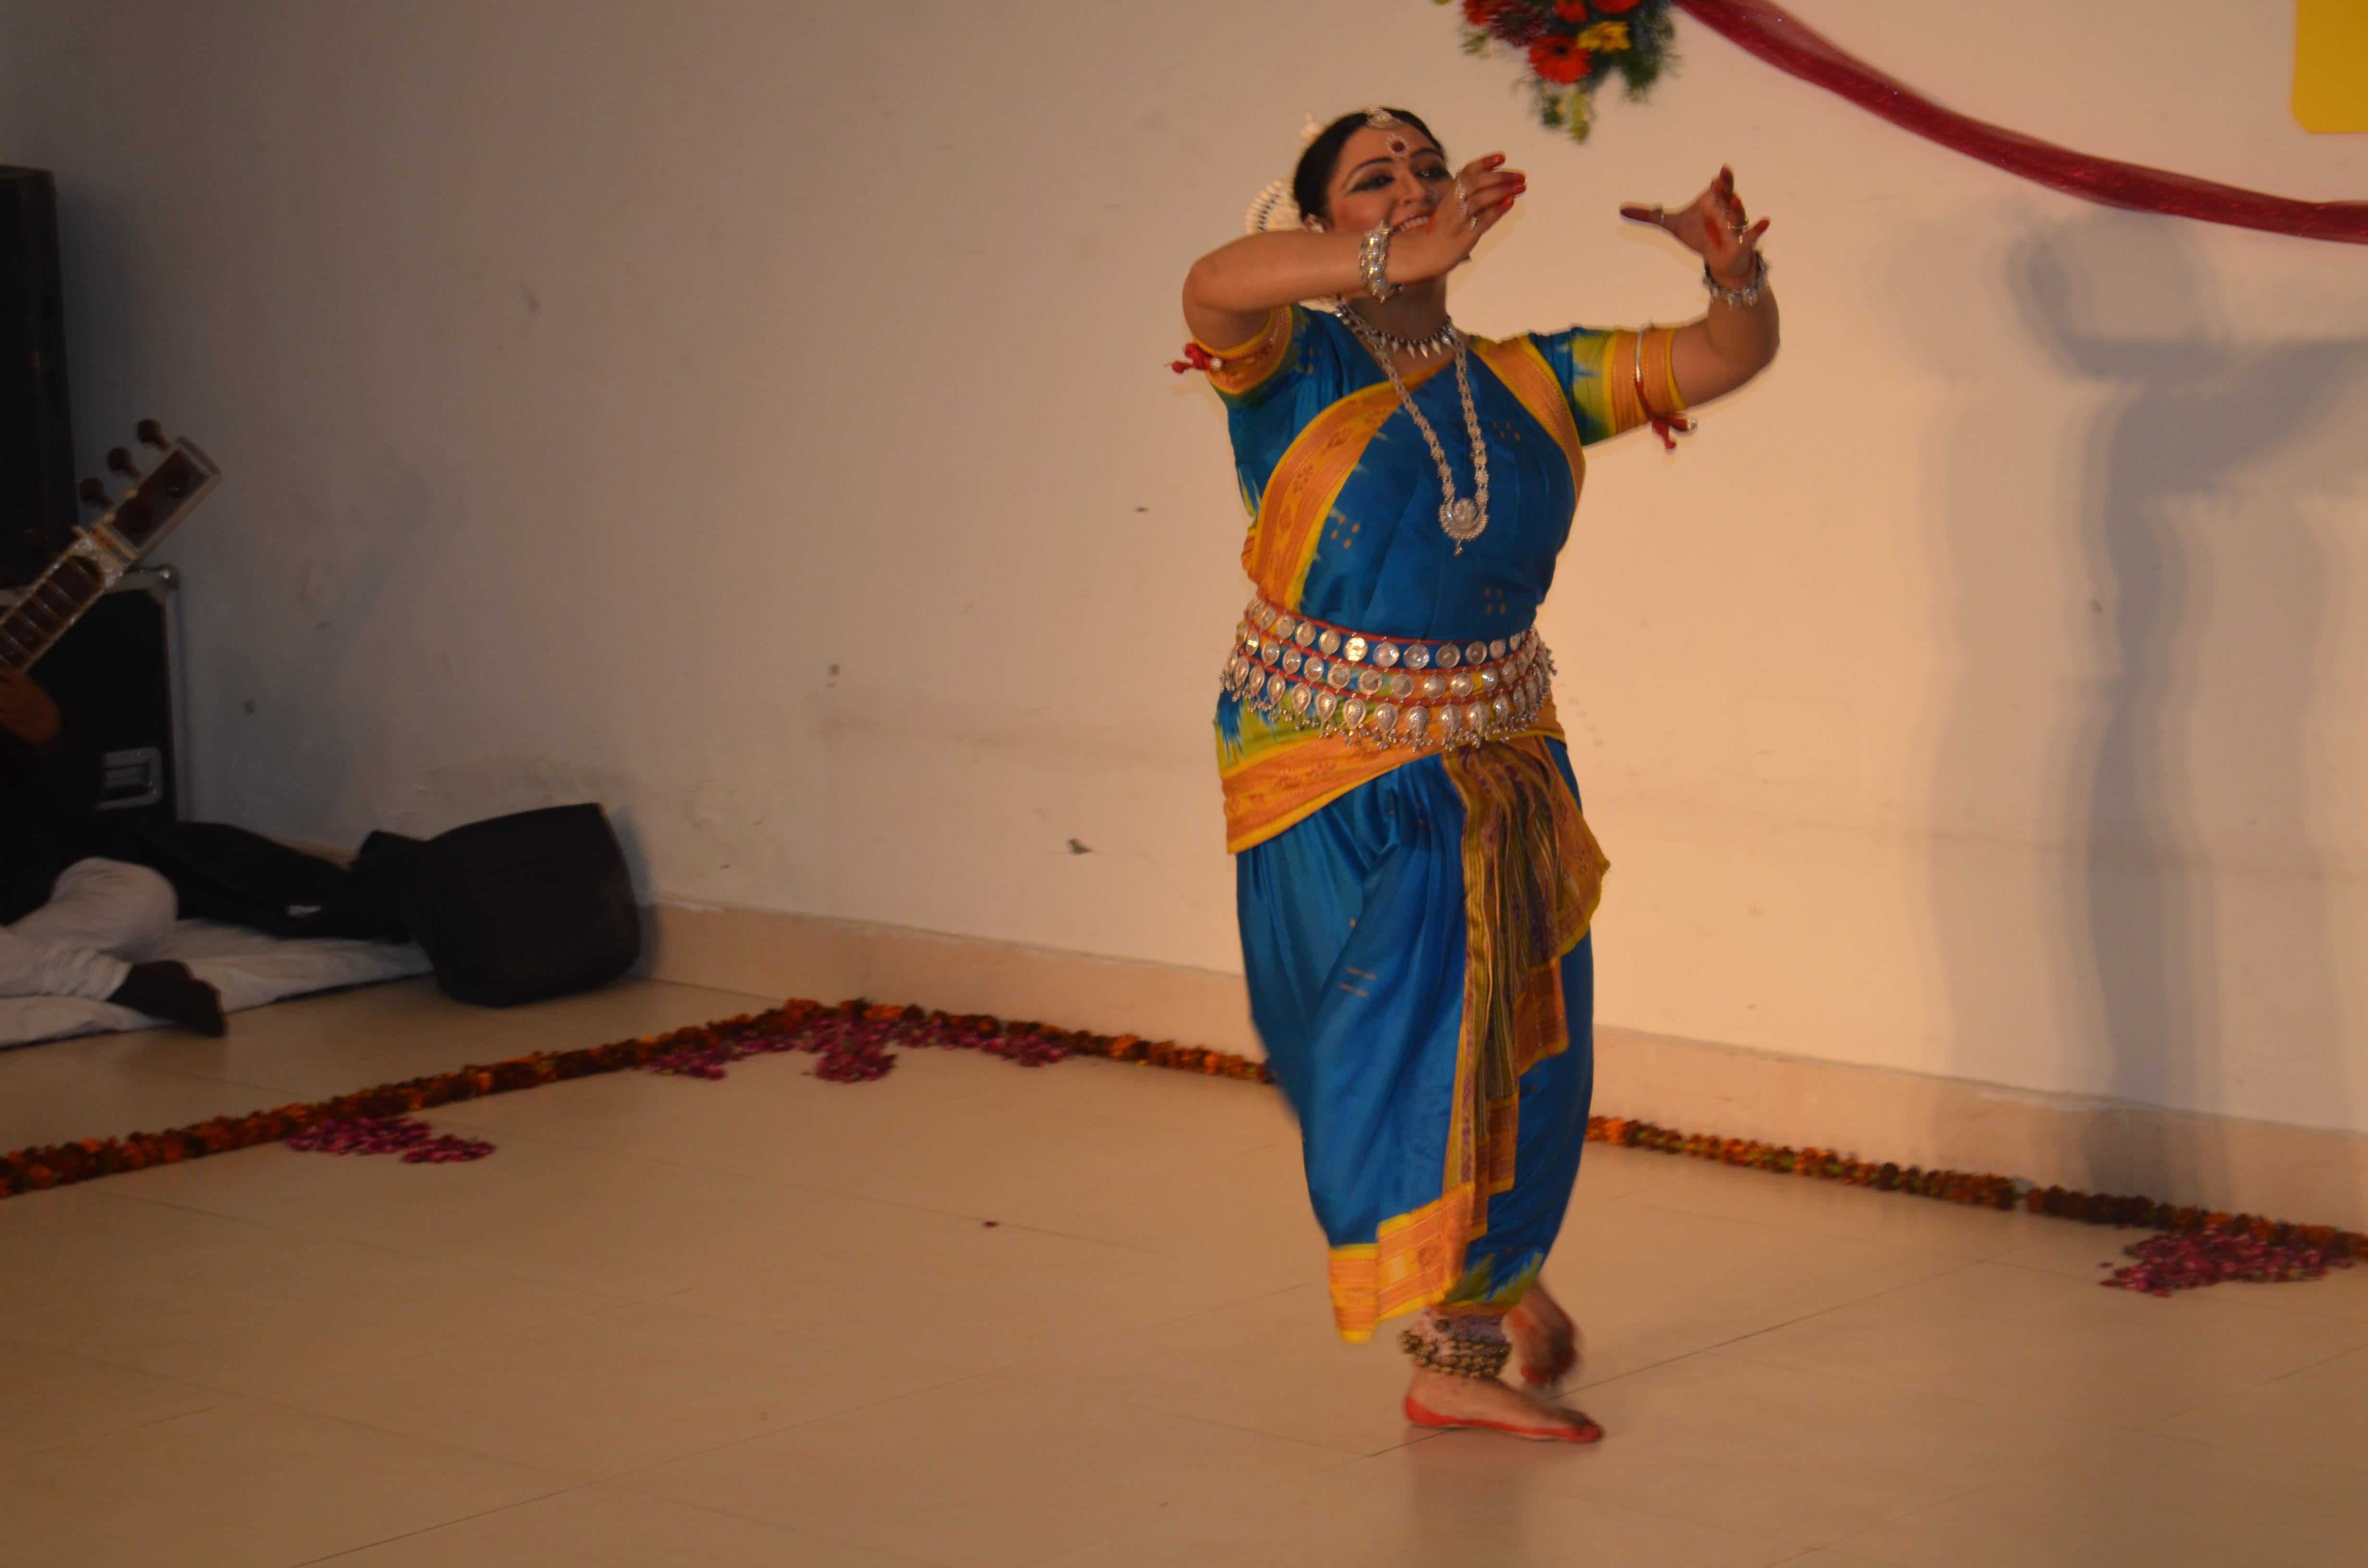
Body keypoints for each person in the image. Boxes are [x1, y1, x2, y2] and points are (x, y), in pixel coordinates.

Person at [1179, 108, 1777, 1441]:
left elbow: (1729, 354)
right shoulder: (1290, 363)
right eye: (1373, 177)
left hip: (1500, 763)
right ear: (1323, 222)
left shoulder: (1533, 382)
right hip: (1315, 769)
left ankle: (1459, 1343)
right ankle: (1467, 1254)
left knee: (1509, 1046)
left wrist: (1732, 276)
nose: (1411, 185)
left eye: (1427, 167)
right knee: (1359, 1054)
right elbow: (1213, 284)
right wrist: (1391, 262)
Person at [0, 665, 225, 1034]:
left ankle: (19, 965)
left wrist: (50, 734)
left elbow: (77, 810)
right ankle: (119, 983)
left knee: (144, 897)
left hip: (19, 892)